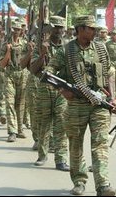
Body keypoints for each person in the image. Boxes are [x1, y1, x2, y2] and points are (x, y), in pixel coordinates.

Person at [46, 15, 116, 196]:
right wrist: (63, 91)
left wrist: (112, 99)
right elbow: (49, 74)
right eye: (91, 28)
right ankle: (79, 181)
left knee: (100, 144)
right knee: (76, 144)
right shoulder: (66, 50)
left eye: (95, 29)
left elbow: (109, 73)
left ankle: (103, 184)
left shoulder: (101, 49)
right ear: (80, 29)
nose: (95, 32)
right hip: (77, 104)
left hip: (99, 104)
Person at [30, 15, 69, 172]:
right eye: (56, 27)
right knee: (44, 123)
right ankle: (42, 155)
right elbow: (33, 69)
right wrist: (42, 54)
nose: (59, 30)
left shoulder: (68, 47)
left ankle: (61, 159)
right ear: (50, 29)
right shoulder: (40, 46)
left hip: (61, 90)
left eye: (61, 27)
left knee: (61, 125)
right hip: (45, 88)